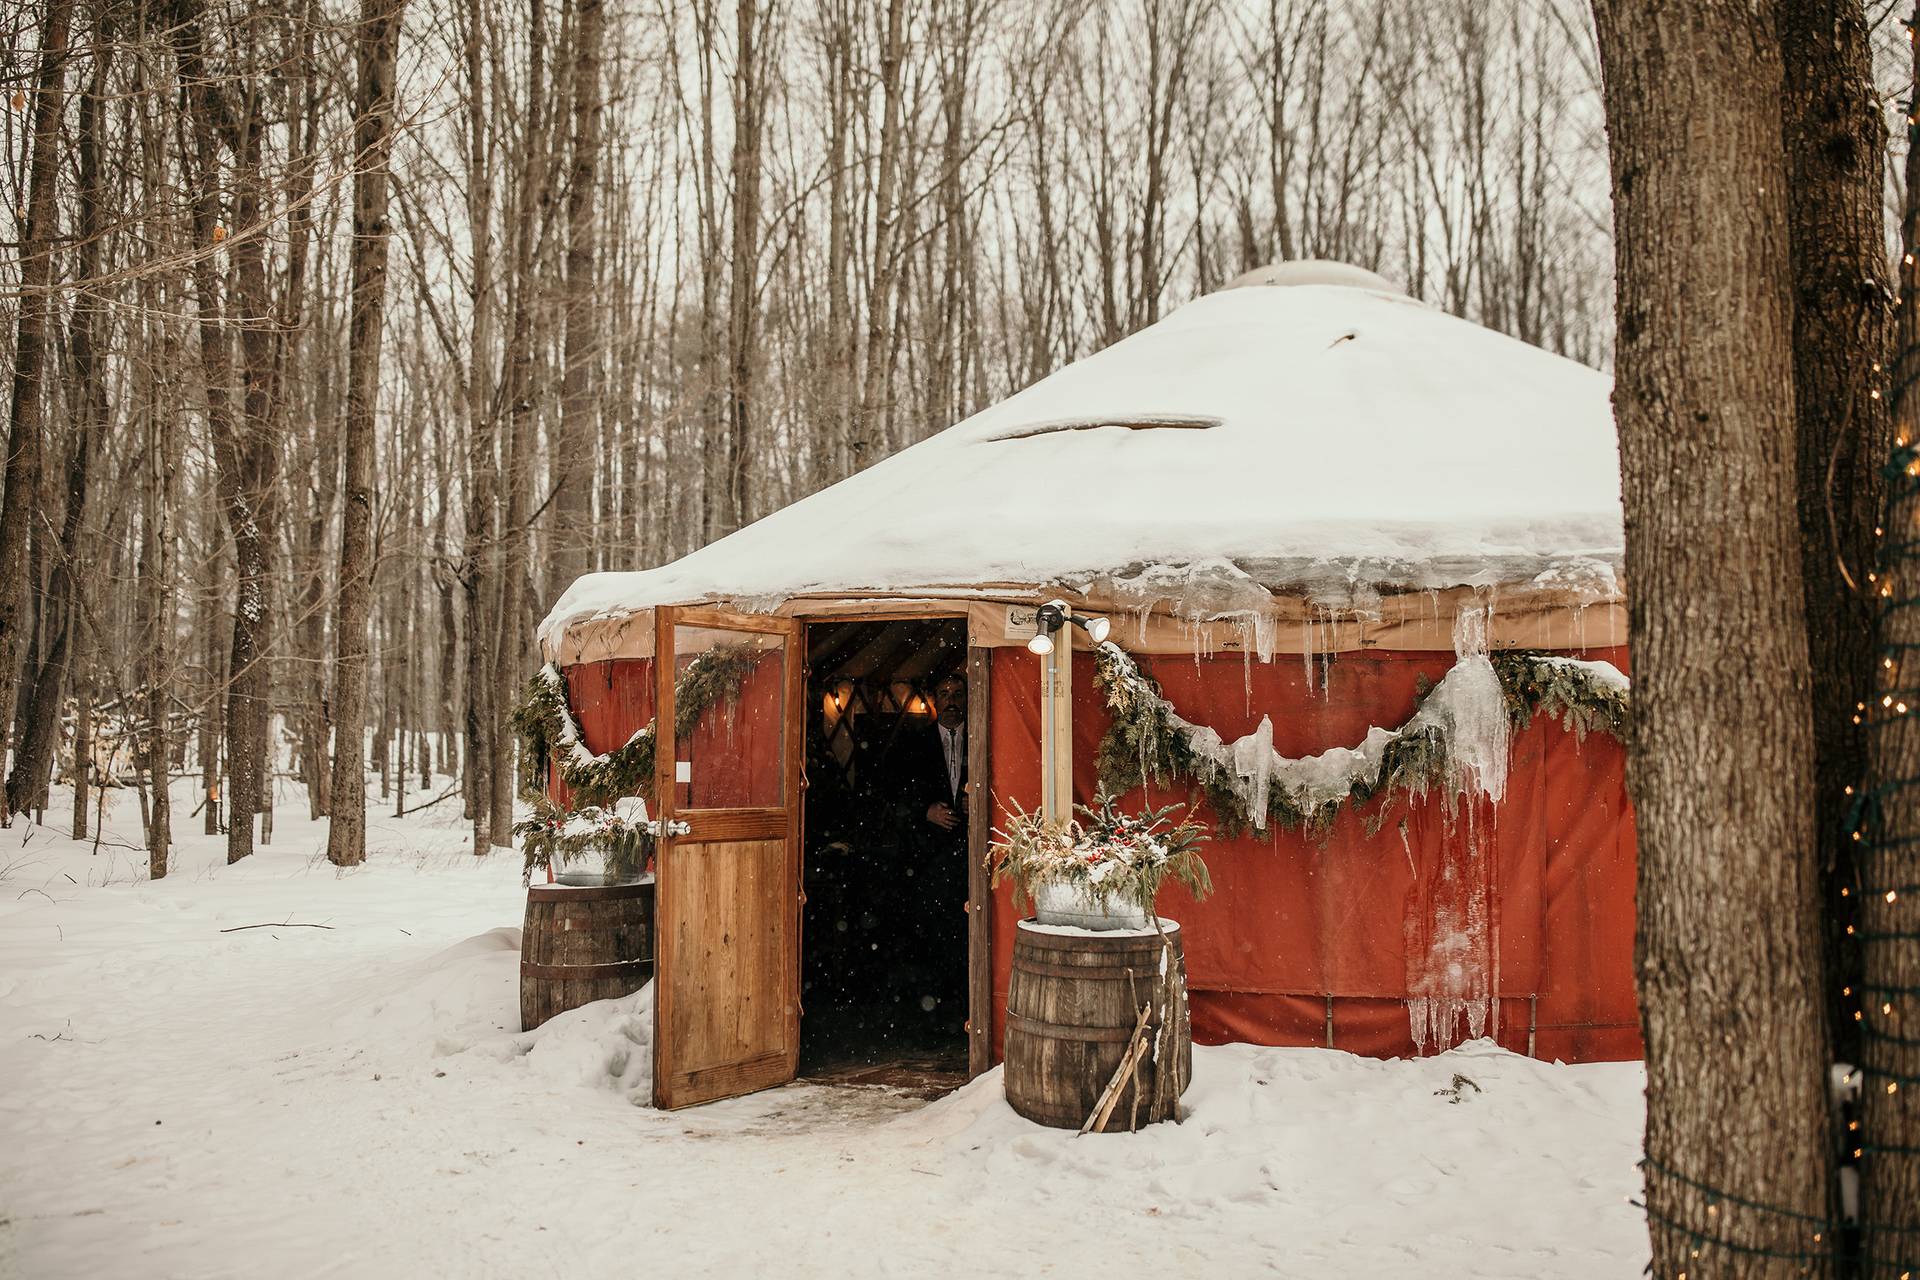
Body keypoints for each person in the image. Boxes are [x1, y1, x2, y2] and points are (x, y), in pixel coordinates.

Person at [900, 671, 968, 854]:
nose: (951, 701)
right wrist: (926, 811)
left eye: (958, 694)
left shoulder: (980, 739)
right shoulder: (916, 744)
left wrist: (979, 801)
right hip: (928, 846)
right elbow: (899, 791)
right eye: (944, 694)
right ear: (935, 700)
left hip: (971, 842)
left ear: (967, 699)